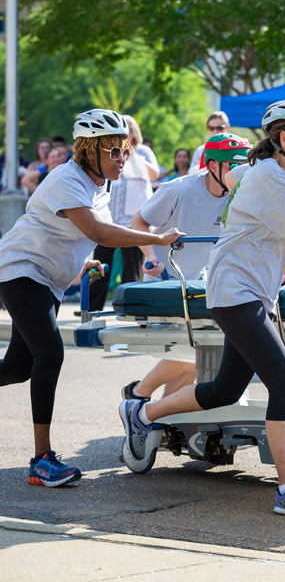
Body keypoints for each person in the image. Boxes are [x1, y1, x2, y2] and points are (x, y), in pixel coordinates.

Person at [119, 99, 285, 515]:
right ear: (284, 137)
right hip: (235, 292)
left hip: (249, 293)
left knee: (225, 389)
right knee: (283, 381)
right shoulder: (269, 177)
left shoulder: (266, 172)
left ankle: (142, 412)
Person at [0, 109, 183, 487]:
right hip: (19, 270)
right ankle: (41, 460)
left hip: (45, 280)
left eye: (123, 150)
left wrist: (81, 263)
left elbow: (69, 231)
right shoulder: (67, 178)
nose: (121, 159)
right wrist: (155, 239)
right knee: (49, 354)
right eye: (112, 151)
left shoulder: (99, 185)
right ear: (88, 151)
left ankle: (41, 458)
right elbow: (99, 230)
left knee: (17, 369)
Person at [122, 133, 252, 403]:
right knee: (195, 353)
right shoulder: (179, 189)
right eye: (233, 167)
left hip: (204, 282)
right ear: (213, 165)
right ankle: (139, 393)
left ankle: (166, 415)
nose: (239, 174)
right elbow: (138, 223)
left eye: (243, 168)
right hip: (168, 276)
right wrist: (150, 257)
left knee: (195, 359)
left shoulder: (241, 193)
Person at [87, 115, 158, 312]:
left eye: (128, 129)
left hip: (133, 217)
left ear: (134, 132)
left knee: (132, 265)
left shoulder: (143, 151)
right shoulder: (110, 151)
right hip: (109, 216)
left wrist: (132, 153)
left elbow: (154, 174)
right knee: (100, 262)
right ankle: (93, 306)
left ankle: (130, 306)